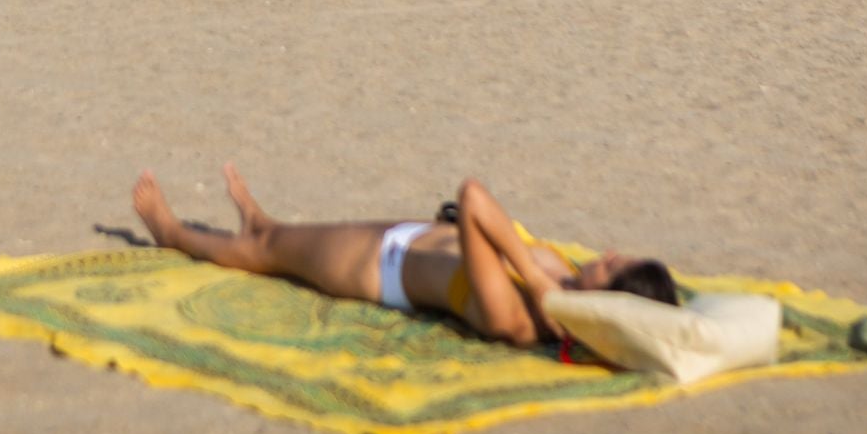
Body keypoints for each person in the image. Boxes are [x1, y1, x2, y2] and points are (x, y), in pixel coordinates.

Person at [133, 166, 677, 349]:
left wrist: (536, 281)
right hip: (417, 236)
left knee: (269, 255)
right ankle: (260, 220)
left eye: (612, 266)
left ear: (603, 304)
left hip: (381, 266)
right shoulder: (566, 284)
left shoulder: (518, 317)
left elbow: (473, 195)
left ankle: (171, 230)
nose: (603, 255)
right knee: (278, 238)